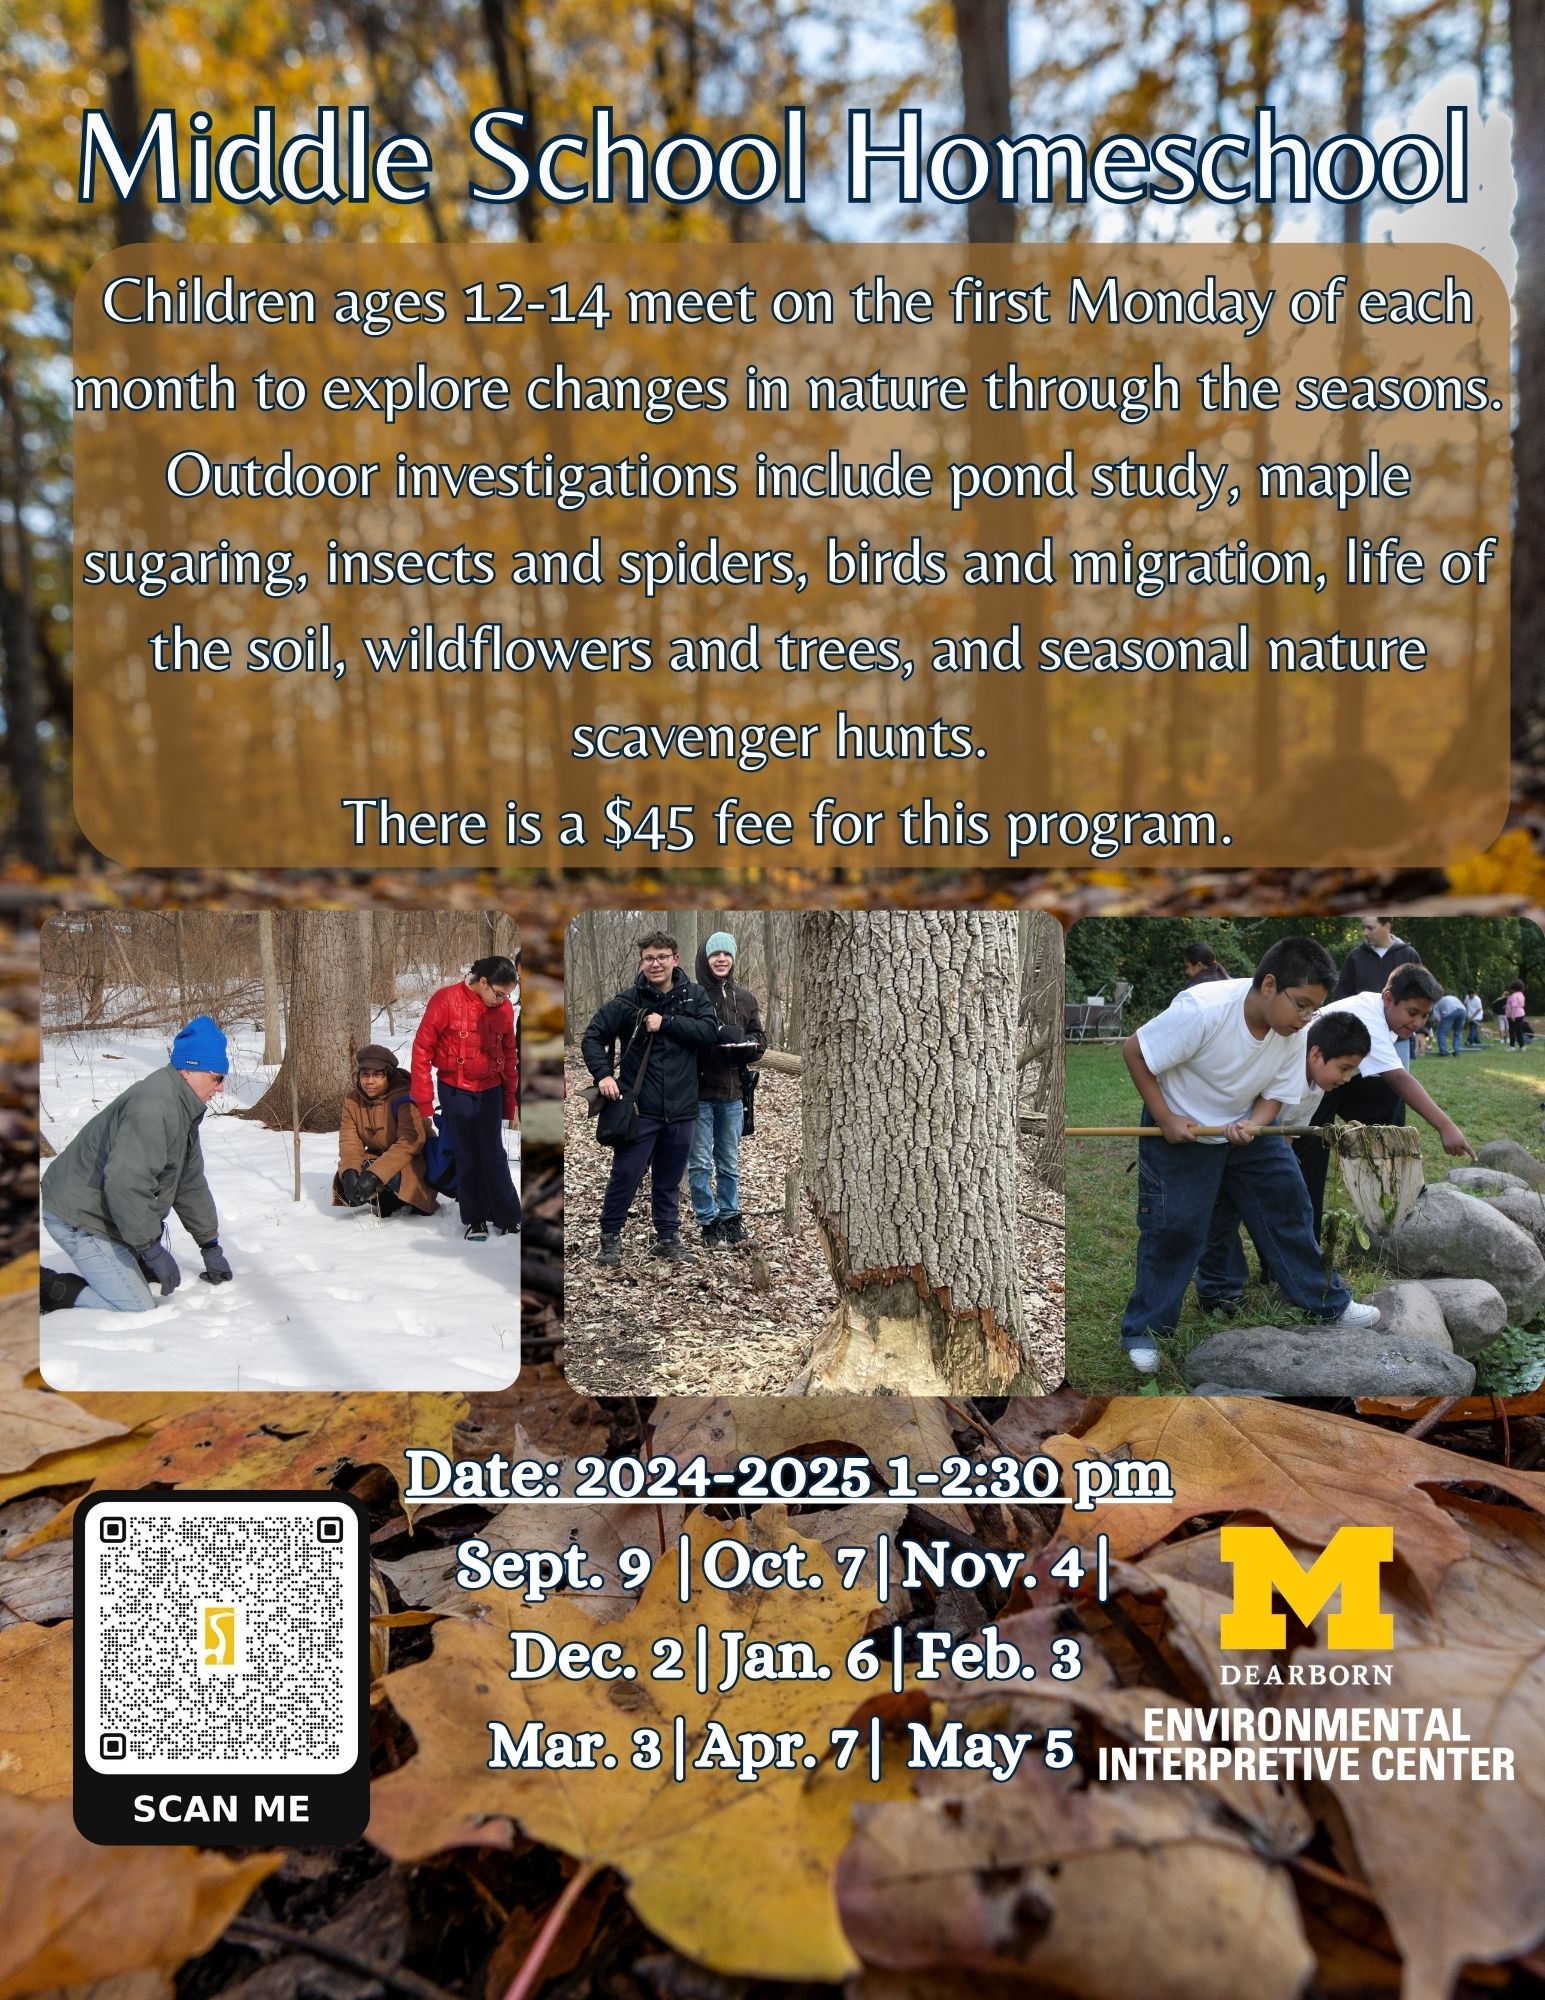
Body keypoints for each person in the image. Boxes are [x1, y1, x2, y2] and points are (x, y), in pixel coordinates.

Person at [1117, 938, 1381, 1376]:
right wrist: (1165, 1117)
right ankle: (1144, 1330)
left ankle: (1327, 1303)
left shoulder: (1293, 1032)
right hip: (1182, 1126)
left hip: (1247, 1124)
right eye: (1300, 1005)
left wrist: (1255, 1124)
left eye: (1313, 1009)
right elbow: (1135, 1051)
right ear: (1269, 985)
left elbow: (1275, 1095)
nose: (1305, 1019)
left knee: (1289, 1200)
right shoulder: (1204, 1009)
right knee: (1176, 1225)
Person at [39, 1015, 234, 1314]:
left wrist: (209, 1244)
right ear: (189, 1070)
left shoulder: (184, 1107)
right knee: (136, 1307)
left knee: (148, 1277)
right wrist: (149, 1248)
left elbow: (189, 1182)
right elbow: (125, 1183)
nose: (220, 1088)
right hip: (77, 1216)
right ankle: (46, 1287)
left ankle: (131, 1251)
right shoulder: (155, 1107)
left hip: (108, 1211)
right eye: (216, 1077)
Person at [1194, 1010, 1372, 1312]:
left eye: (1352, 1071)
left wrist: (1283, 1168)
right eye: (1344, 1068)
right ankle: (1219, 1293)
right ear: (1315, 1054)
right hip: (1224, 1141)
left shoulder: (1318, 1087)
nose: (1346, 1079)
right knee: (1220, 1218)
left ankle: (1288, 1277)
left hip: (1262, 1148)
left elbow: (1287, 1133)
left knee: (1290, 1204)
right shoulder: (1285, 1067)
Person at [1295, 966, 1472, 1234]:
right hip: (1305, 1084)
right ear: (1388, 998)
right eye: (1412, 1012)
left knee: (1386, 1100)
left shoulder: (1383, 1014)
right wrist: (1446, 1127)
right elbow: (1400, 1079)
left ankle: (1396, 1181)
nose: (1417, 1023)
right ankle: (1305, 1242)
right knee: (1312, 1155)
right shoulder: (1369, 1017)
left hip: (1335, 1079)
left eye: (1424, 1015)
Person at [582, 930, 718, 1266]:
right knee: (626, 1174)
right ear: (641, 963)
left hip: (683, 1107)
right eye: (648, 959)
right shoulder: (628, 1001)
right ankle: (610, 1238)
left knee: (669, 1178)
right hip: (639, 1107)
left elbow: (708, 1033)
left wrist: (667, 1023)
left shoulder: (695, 996)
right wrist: (603, 1075)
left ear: (675, 959)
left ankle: (667, 1238)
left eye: (661, 957)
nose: (655, 964)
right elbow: (592, 1037)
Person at [411, 955, 520, 1242]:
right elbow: (422, 1049)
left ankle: (508, 1215)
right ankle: (475, 1218)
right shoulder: (446, 1000)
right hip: (455, 1088)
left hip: (491, 1089)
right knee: (466, 1153)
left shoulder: (504, 1009)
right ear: (482, 982)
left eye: (508, 996)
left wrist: (510, 1100)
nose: (502, 1000)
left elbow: (509, 1054)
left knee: (493, 1152)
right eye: (499, 994)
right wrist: (424, 1100)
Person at [689, 932, 767, 1248]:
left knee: (728, 1162)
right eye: (715, 954)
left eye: (726, 954)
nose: (721, 959)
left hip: (734, 1094)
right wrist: (714, 1038)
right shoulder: (692, 995)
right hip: (698, 1093)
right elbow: (684, 1037)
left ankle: (731, 1219)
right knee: (699, 1163)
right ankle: (707, 1223)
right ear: (706, 959)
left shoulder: (746, 999)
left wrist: (750, 1049)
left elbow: (760, 1038)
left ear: (733, 959)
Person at [334, 1044, 435, 1217]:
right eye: (365, 1074)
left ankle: (412, 1200)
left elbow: (409, 1143)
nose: (370, 1081)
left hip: (414, 1160)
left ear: (388, 1075)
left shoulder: (405, 1096)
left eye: (377, 1075)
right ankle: (388, 1201)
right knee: (348, 1177)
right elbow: (349, 1142)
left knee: (389, 1175)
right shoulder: (352, 1100)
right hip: (379, 1156)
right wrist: (350, 1171)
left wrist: (375, 1175)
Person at [1333, 918, 1423, 1065]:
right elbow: (1342, 996)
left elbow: (1422, 994)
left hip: (1398, 1038)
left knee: (1397, 1086)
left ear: (1386, 926)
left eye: (1370, 928)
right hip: (1361, 1038)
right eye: (1364, 928)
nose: (1365, 933)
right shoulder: (1355, 957)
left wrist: (1422, 1031)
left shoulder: (1408, 955)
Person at [1428, 991, 1467, 1057]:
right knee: (1458, 1032)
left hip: (1450, 1011)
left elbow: (1438, 1019)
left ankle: (1443, 1051)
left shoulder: (1436, 1004)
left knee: (1441, 1032)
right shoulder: (1450, 997)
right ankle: (1457, 1051)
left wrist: (1444, 1025)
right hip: (1463, 1011)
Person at [1506, 980, 1530, 1050]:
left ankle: (1512, 1046)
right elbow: (1522, 1004)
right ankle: (1522, 1046)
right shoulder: (1521, 994)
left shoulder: (1514, 995)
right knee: (1519, 1030)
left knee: (1512, 1031)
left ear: (1513, 988)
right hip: (1521, 1014)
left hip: (1514, 1015)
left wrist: (1512, 1015)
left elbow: (1514, 1006)